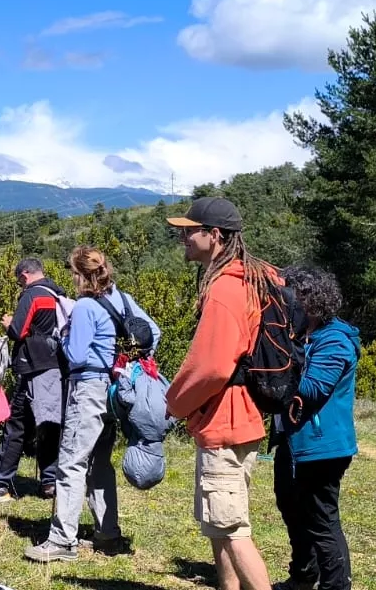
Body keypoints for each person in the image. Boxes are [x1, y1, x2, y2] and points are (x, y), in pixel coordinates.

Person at [165, 197, 276, 590]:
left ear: (214, 235)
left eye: (189, 231)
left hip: (225, 421)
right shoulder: (252, 278)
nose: (183, 237)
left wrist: (174, 403)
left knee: (232, 528)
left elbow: (212, 365)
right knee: (218, 523)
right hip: (238, 418)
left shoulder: (226, 290)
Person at [25, 247, 159, 563]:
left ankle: (62, 540)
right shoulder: (122, 299)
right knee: (99, 461)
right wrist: (131, 362)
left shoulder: (85, 306)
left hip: (87, 387)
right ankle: (107, 534)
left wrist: (62, 336)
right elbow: (154, 332)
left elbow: (77, 355)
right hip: (116, 388)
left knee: (72, 461)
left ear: (80, 275)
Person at [272, 266, 360, 590]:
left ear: (308, 299)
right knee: (291, 507)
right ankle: (304, 576)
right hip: (294, 442)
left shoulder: (334, 340)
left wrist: (278, 369)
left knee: (322, 521)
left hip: (323, 447)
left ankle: (336, 586)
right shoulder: (300, 336)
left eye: (289, 297)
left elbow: (312, 388)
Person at [0, 258, 66, 503]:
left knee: (17, 425)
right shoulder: (58, 293)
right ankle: (50, 481)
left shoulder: (32, 295)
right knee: (50, 424)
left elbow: (18, 332)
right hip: (56, 365)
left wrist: (8, 323)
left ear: (24, 275)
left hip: (33, 365)